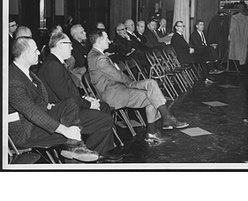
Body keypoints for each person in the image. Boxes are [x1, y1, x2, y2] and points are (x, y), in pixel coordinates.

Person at [87, 29, 189, 143]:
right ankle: (157, 127)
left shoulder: (96, 55)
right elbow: (117, 75)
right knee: (152, 96)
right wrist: (131, 83)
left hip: (117, 88)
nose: (109, 41)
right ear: (100, 40)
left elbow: (115, 74)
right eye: (106, 38)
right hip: (113, 94)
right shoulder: (99, 58)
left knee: (151, 83)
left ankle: (166, 119)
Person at [9, 36, 99, 162]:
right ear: (24, 56)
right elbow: (31, 112)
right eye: (35, 50)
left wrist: (46, 106)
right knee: (75, 128)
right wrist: (64, 130)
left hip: (34, 121)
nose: (39, 53)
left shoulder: (25, 72)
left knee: (70, 103)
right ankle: (74, 146)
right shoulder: (12, 79)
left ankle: (73, 145)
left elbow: (31, 104)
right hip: (24, 132)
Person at [37, 32, 122, 162]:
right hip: (64, 113)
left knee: (104, 107)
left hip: (67, 105)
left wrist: (85, 98)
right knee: (105, 120)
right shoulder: (53, 65)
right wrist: (88, 104)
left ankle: (102, 150)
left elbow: (68, 91)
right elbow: (65, 97)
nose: (72, 48)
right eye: (69, 44)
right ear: (60, 45)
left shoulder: (56, 63)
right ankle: (90, 154)